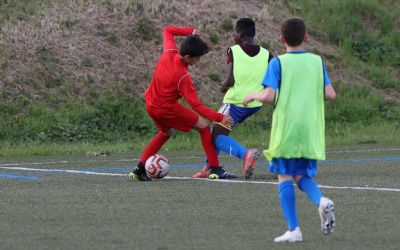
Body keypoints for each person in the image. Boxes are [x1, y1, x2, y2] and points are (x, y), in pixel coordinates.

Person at [243, 17, 337, 242]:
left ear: (281, 39)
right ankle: (321, 201)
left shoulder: (278, 63)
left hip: (287, 129)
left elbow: (269, 95)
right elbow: (331, 94)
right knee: (301, 175)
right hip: (310, 131)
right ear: (306, 37)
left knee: (283, 174)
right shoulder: (317, 61)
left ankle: (294, 229)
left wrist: (252, 95)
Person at [129, 26, 236, 181]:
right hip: (167, 110)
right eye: (197, 58)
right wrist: (220, 117)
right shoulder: (183, 77)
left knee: (165, 133)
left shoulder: (168, 52)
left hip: (151, 105)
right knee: (204, 127)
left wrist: (190, 31)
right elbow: (196, 106)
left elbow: (167, 30)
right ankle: (214, 169)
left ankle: (139, 169)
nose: (198, 61)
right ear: (187, 57)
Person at [193, 18, 273, 179]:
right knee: (218, 132)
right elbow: (270, 79)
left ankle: (245, 154)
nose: (234, 36)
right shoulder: (266, 53)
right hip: (255, 103)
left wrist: (223, 86)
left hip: (235, 102)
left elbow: (230, 80)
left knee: (214, 135)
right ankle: (209, 167)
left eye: (235, 33)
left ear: (241, 34)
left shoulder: (234, 50)